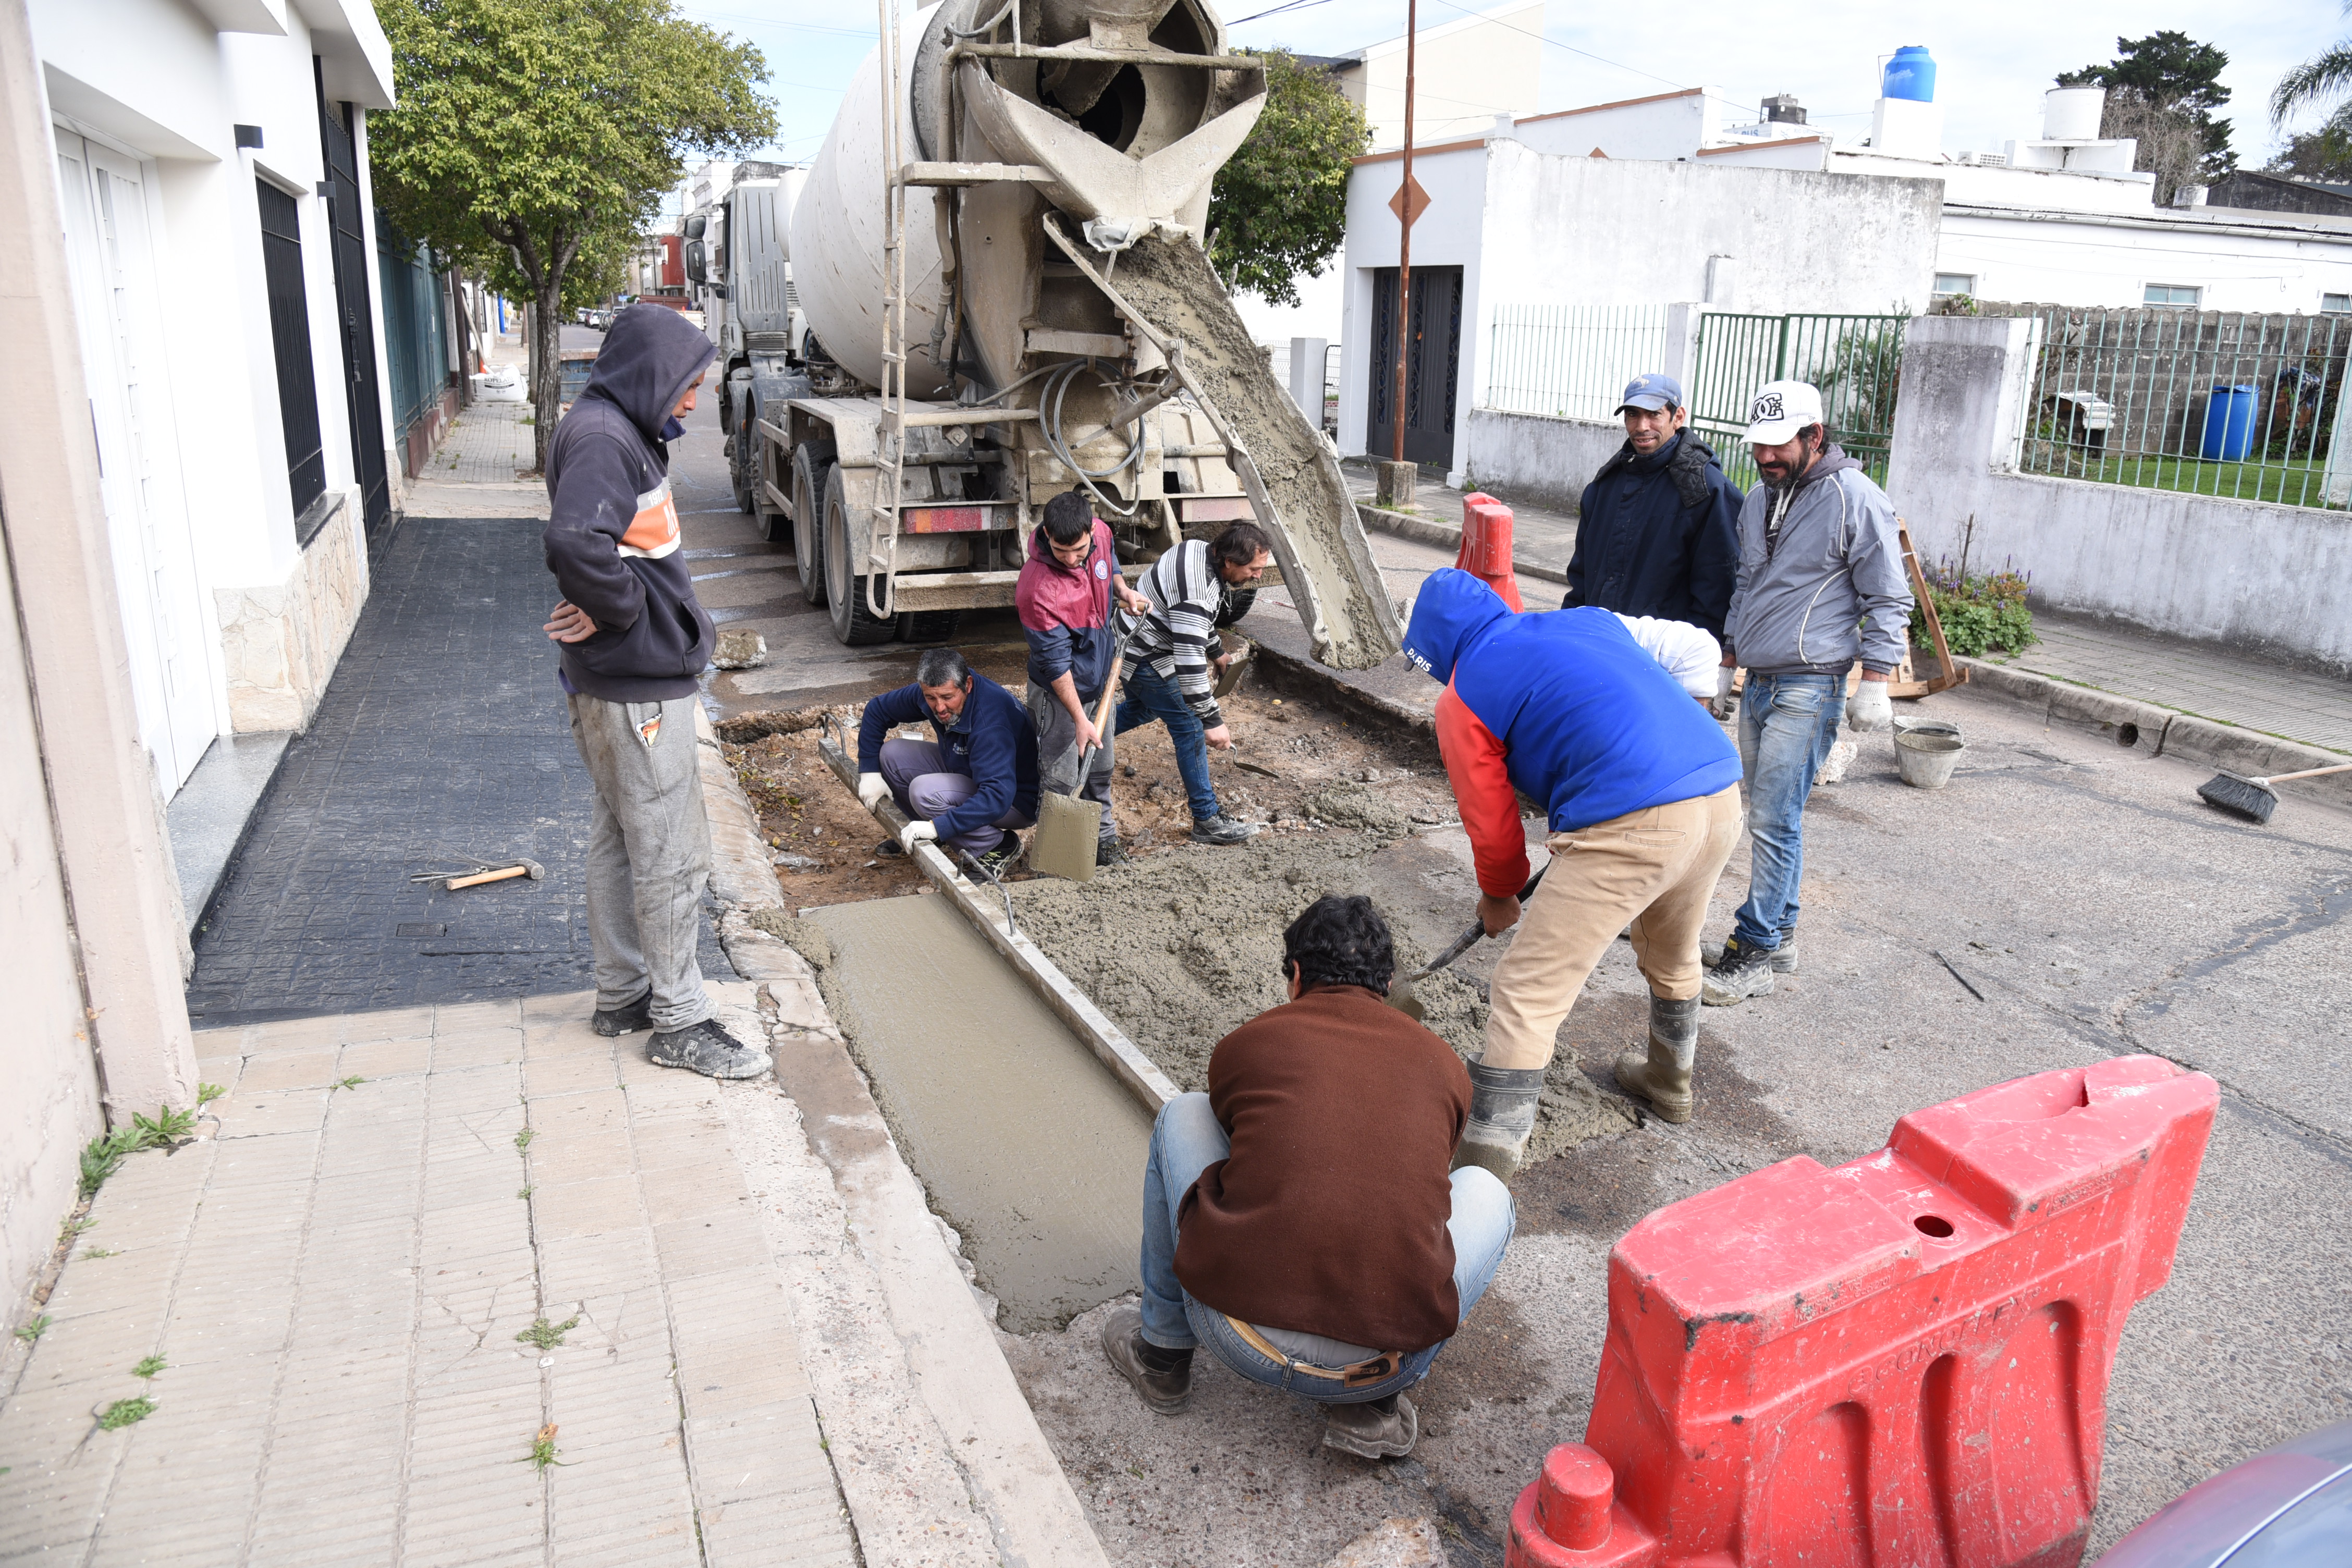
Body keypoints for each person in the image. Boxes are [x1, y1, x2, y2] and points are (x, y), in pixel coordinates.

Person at [1099, 896, 1515, 1460]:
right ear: (1388, 981)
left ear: (1296, 976)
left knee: (1185, 1112)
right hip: (1382, 1363)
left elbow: (1234, 1140)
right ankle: (1372, 1409)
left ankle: (1162, 1355)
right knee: (1487, 1190)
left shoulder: (1250, 1043)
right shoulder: (1444, 1066)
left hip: (1238, 1336)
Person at [1401, 568, 1744, 1172]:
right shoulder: (1586, 620)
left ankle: (1486, 1167)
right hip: (1718, 792)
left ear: (1434, 647)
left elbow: (1493, 823)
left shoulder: (1462, 696)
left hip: (1635, 819)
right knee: (1672, 948)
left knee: (1527, 990)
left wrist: (1500, 895)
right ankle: (1668, 1082)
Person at [541, 304, 769, 1080]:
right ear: (651, 374)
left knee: (618, 836)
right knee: (672, 852)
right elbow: (577, 541)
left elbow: (600, 546)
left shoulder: (610, 429)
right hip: (638, 691)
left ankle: (623, 993)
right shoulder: (608, 441)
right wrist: (624, 611)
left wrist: (612, 601)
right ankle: (678, 1018)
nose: (692, 402)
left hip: (613, 681)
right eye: (688, 385)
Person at [1704, 380, 1913, 1007]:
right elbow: (1747, 582)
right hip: (1762, 681)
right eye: (1758, 446)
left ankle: (1758, 945)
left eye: (1778, 445)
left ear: (1814, 436)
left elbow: (1889, 594)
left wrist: (1876, 680)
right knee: (1772, 815)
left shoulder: (1855, 499)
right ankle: (1779, 934)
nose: (1765, 457)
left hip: (1812, 682)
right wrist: (1728, 658)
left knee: (1770, 817)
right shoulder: (1759, 501)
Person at [1114, 521, 1271, 847]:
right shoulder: (1198, 591)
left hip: (1130, 636)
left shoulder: (1198, 549)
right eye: (1254, 569)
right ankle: (1207, 820)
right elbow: (1188, 664)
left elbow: (1194, 621)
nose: (1257, 576)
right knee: (1190, 725)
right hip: (1143, 652)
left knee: (1144, 709)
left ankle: (1079, 733)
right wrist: (1212, 720)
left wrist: (1217, 652)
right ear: (1229, 561)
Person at [1017, 491, 1152, 868]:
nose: (1073, 560)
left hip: (1098, 680)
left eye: (1079, 550)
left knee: (1102, 766)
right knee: (1061, 776)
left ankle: (1104, 841)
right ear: (1047, 534)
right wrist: (1079, 719)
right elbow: (1055, 666)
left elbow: (1108, 561)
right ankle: (1056, 859)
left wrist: (1123, 590)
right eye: (1063, 552)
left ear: (1091, 530)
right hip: (1060, 696)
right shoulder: (1038, 589)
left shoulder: (1102, 535)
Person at [1561, 372, 1743, 639]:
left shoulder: (1706, 489)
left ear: (1677, 417)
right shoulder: (1604, 487)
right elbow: (1581, 577)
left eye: (1654, 414)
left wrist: (1694, 653)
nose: (1641, 426)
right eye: (1633, 415)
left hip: (1664, 656)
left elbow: (1717, 588)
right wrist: (1567, 630)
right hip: (1600, 643)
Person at [856, 647, 1039, 875]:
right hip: (969, 769)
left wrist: (939, 826)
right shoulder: (939, 687)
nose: (939, 708)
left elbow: (997, 797)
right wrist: (869, 771)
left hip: (1015, 800)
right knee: (891, 755)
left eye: (947, 698)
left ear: (968, 685)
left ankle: (994, 847)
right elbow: (878, 710)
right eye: (931, 698)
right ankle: (925, 832)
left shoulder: (990, 723)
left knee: (924, 792)